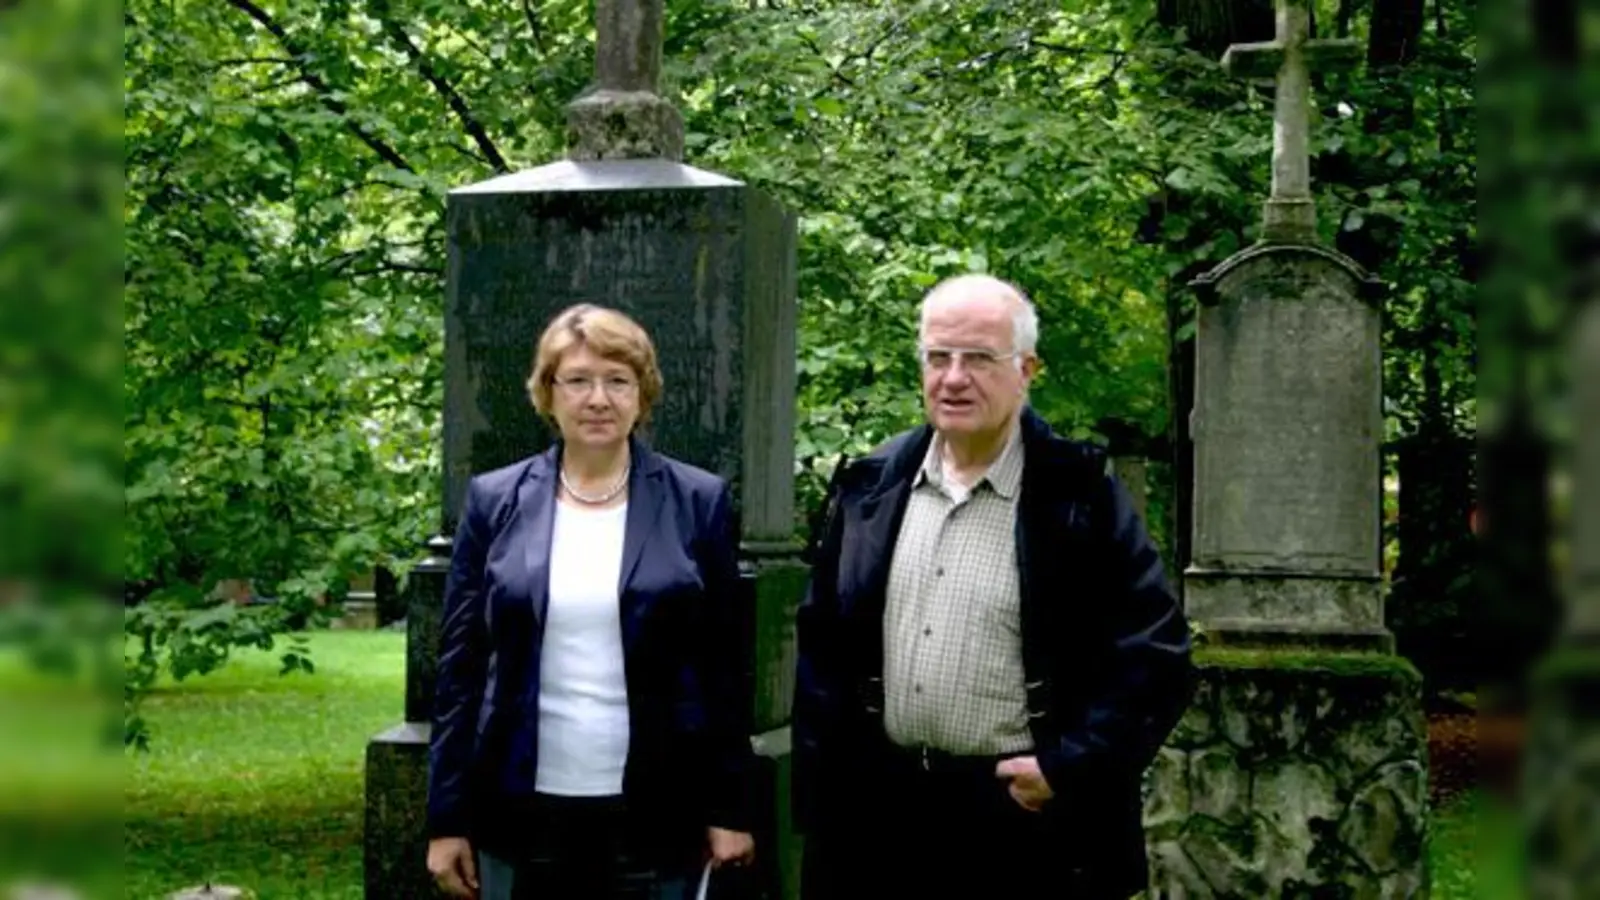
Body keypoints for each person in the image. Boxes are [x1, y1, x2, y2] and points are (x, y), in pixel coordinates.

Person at [792, 274, 1192, 899]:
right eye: (938, 356)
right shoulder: (870, 487)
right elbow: (821, 655)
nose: (953, 378)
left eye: (978, 358)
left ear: (1026, 369)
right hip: (880, 823)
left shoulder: (1079, 496)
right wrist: (824, 801)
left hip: (1024, 823)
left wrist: (1066, 769)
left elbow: (1156, 658)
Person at [426, 304, 756, 900]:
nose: (597, 398)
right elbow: (460, 669)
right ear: (547, 394)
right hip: (521, 804)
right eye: (577, 380)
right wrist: (446, 818)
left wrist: (729, 806)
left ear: (643, 394)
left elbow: (723, 668)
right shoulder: (494, 501)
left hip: (657, 809)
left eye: (617, 380)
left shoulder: (697, 501)